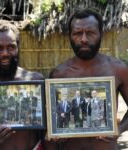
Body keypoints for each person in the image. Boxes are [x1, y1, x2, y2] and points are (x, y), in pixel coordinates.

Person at [45, 8, 128, 150]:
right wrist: (53, 133)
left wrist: (118, 130)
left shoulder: (118, 69)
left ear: (100, 34)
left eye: (90, 33)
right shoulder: (59, 74)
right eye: (77, 33)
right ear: (70, 36)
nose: (83, 39)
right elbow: (53, 121)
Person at [0, 20, 44, 150]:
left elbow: (49, 127)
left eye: (11, 47)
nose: (5, 53)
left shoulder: (36, 81)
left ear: (18, 48)